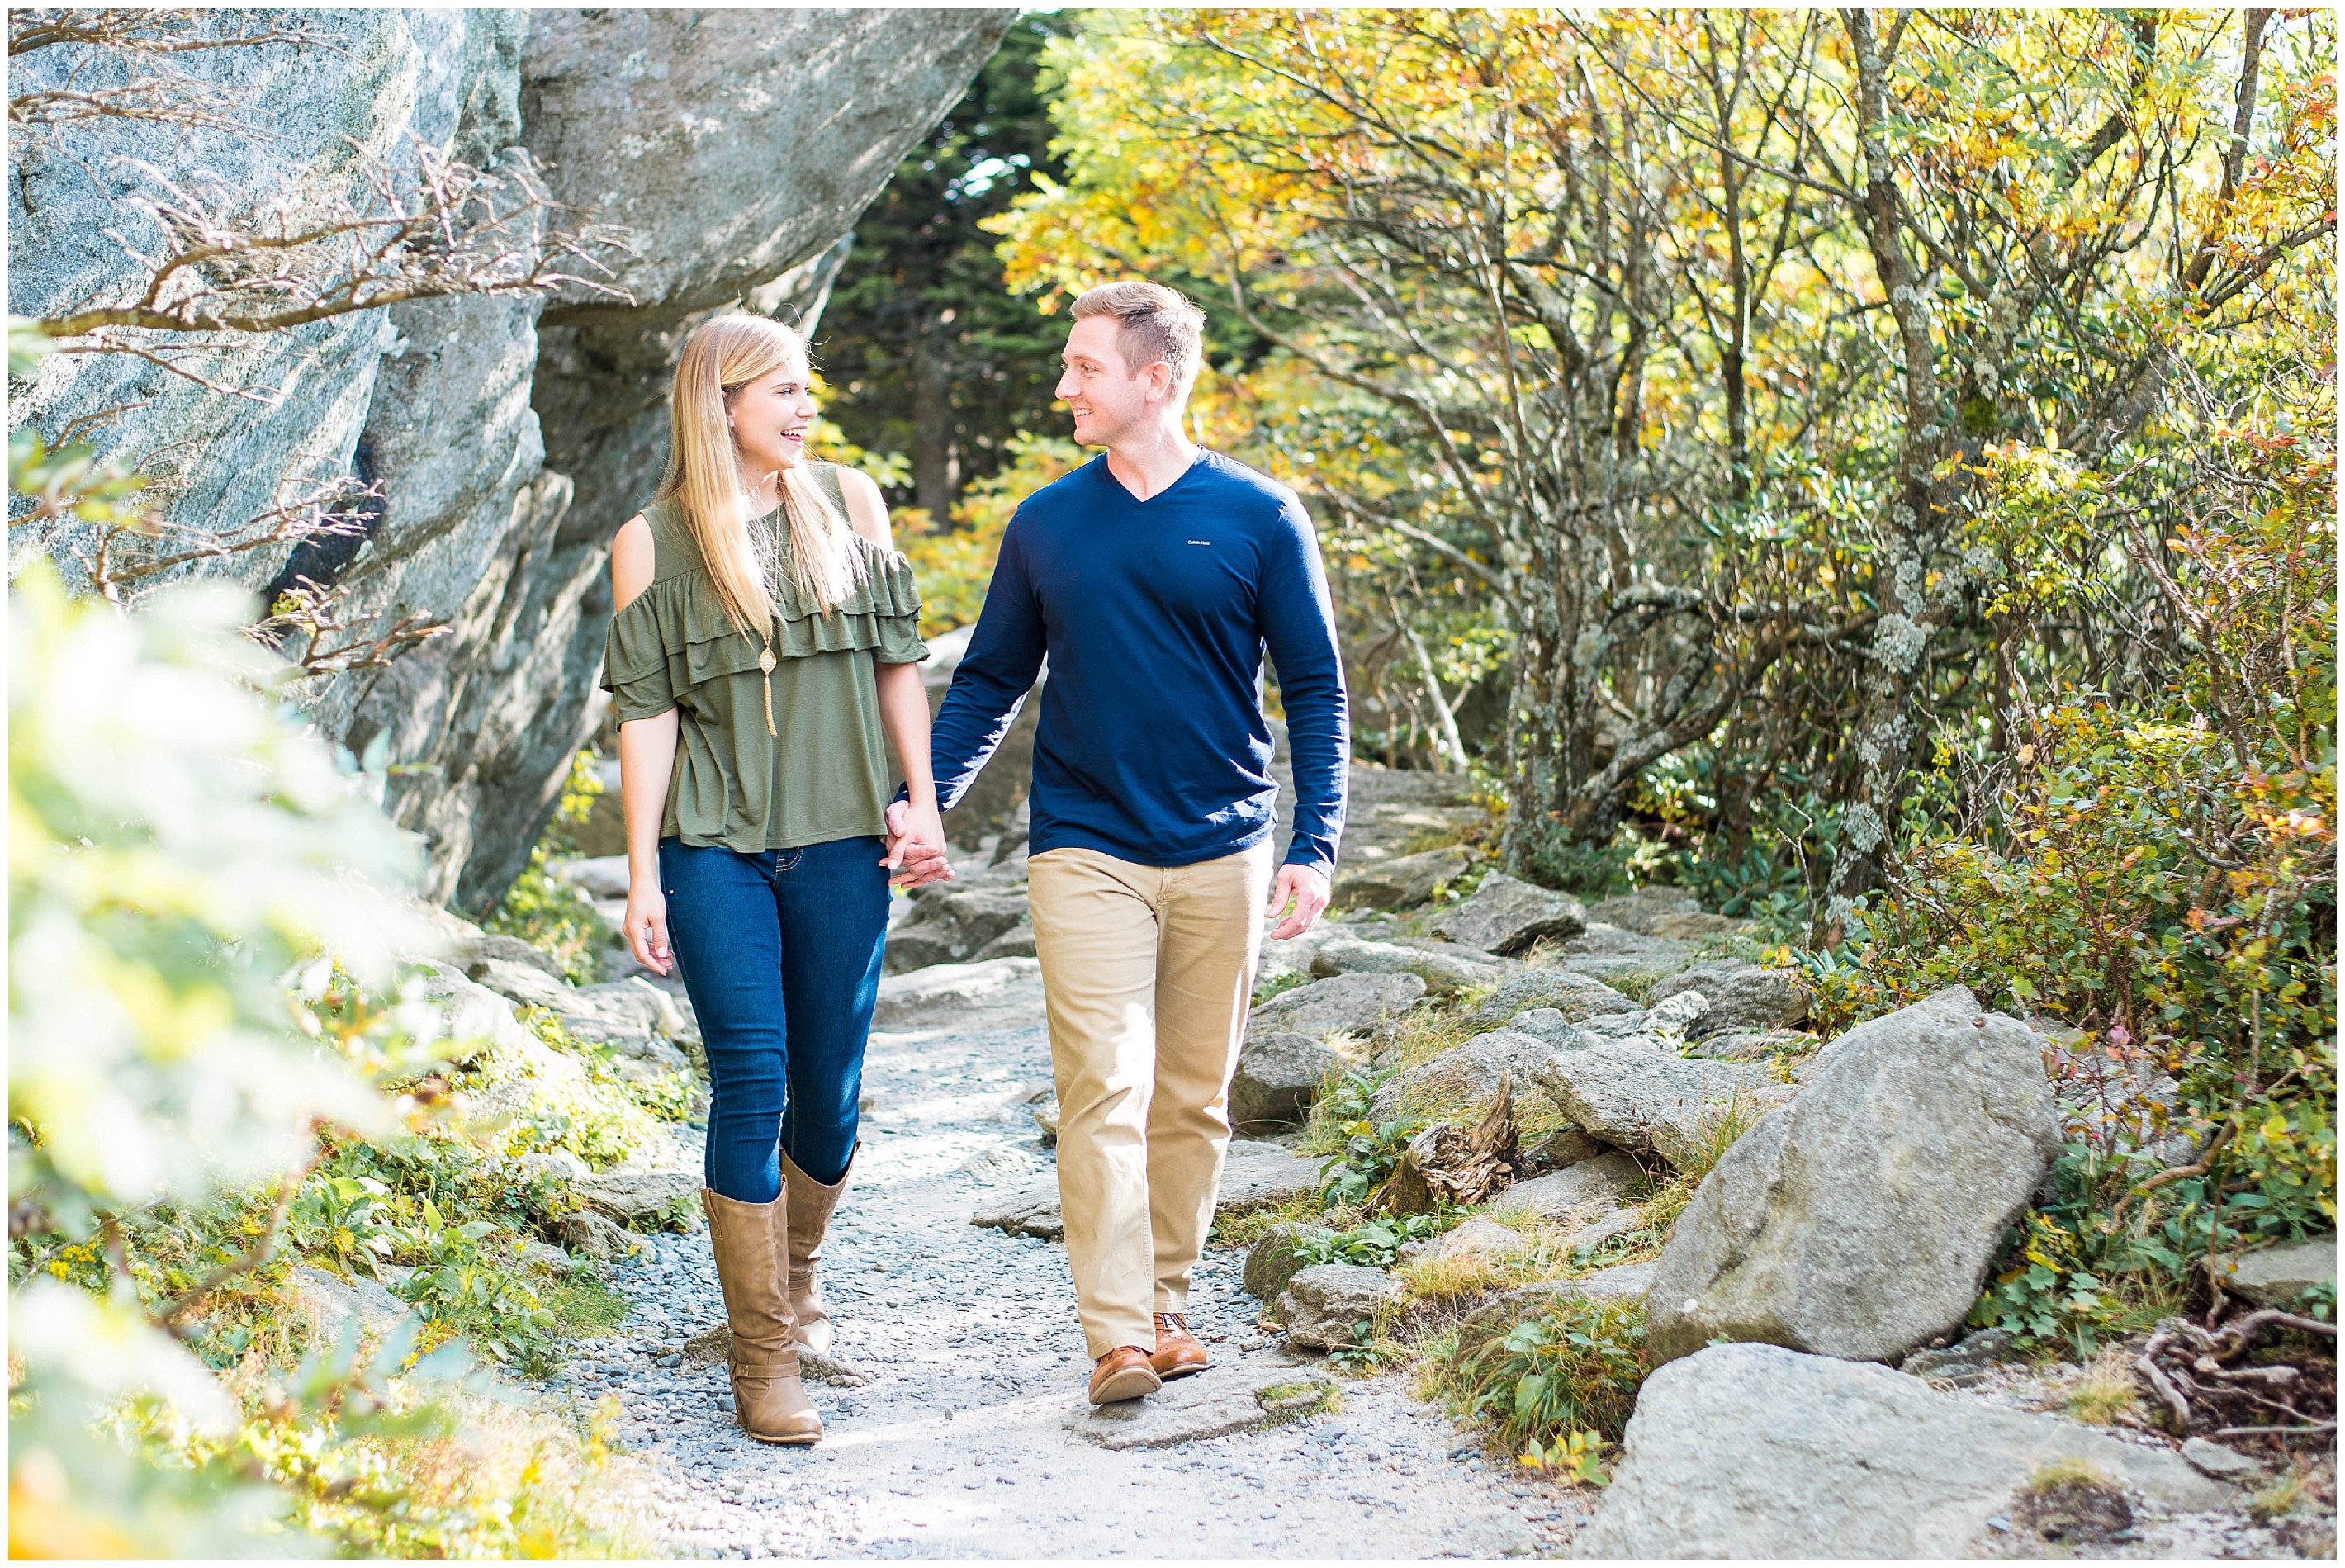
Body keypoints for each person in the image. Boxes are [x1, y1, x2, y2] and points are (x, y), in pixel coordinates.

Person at [898, 279, 1348, 1406]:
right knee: (1102, 1086)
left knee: (1194, 1096)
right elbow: (990, 680)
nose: (1064, 387)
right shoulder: (1047, 523)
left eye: (1084, 367)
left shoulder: (1260, 515)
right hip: (1085, 842)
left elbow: (1316, 689)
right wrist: (925, 801)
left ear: (1156, 379)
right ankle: (1115, 1336)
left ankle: (1165, 1305)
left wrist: (1315, 844)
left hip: (1225, 846)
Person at [602, 312, 951, 1446]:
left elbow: (897, 668)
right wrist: (644, 874)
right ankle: (763, 1356)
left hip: (845, 842)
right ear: (722, 403)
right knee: (750, 1077)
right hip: (714, 850)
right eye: (784, 391)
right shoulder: (651, 542)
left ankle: (798, 1275)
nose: (807, 409)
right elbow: (647, 719)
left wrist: (922, 800)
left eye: (809, 388)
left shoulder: (849, 504)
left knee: (830, 1097)